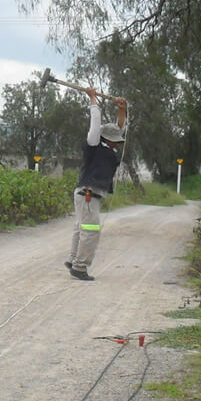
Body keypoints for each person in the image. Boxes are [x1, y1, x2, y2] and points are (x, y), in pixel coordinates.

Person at [66, 88, 127, 281]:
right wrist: (93, 99)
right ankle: (80, 267)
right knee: (90, 230)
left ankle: (74, 259)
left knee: (81, 227)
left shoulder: (108, 147)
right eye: (115, 140)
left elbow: (120, 127)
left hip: (88, 195)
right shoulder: (93, 143)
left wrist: (121, 110)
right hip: (88, 194)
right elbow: (95, 125)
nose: (118, 142)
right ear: (106, 138)